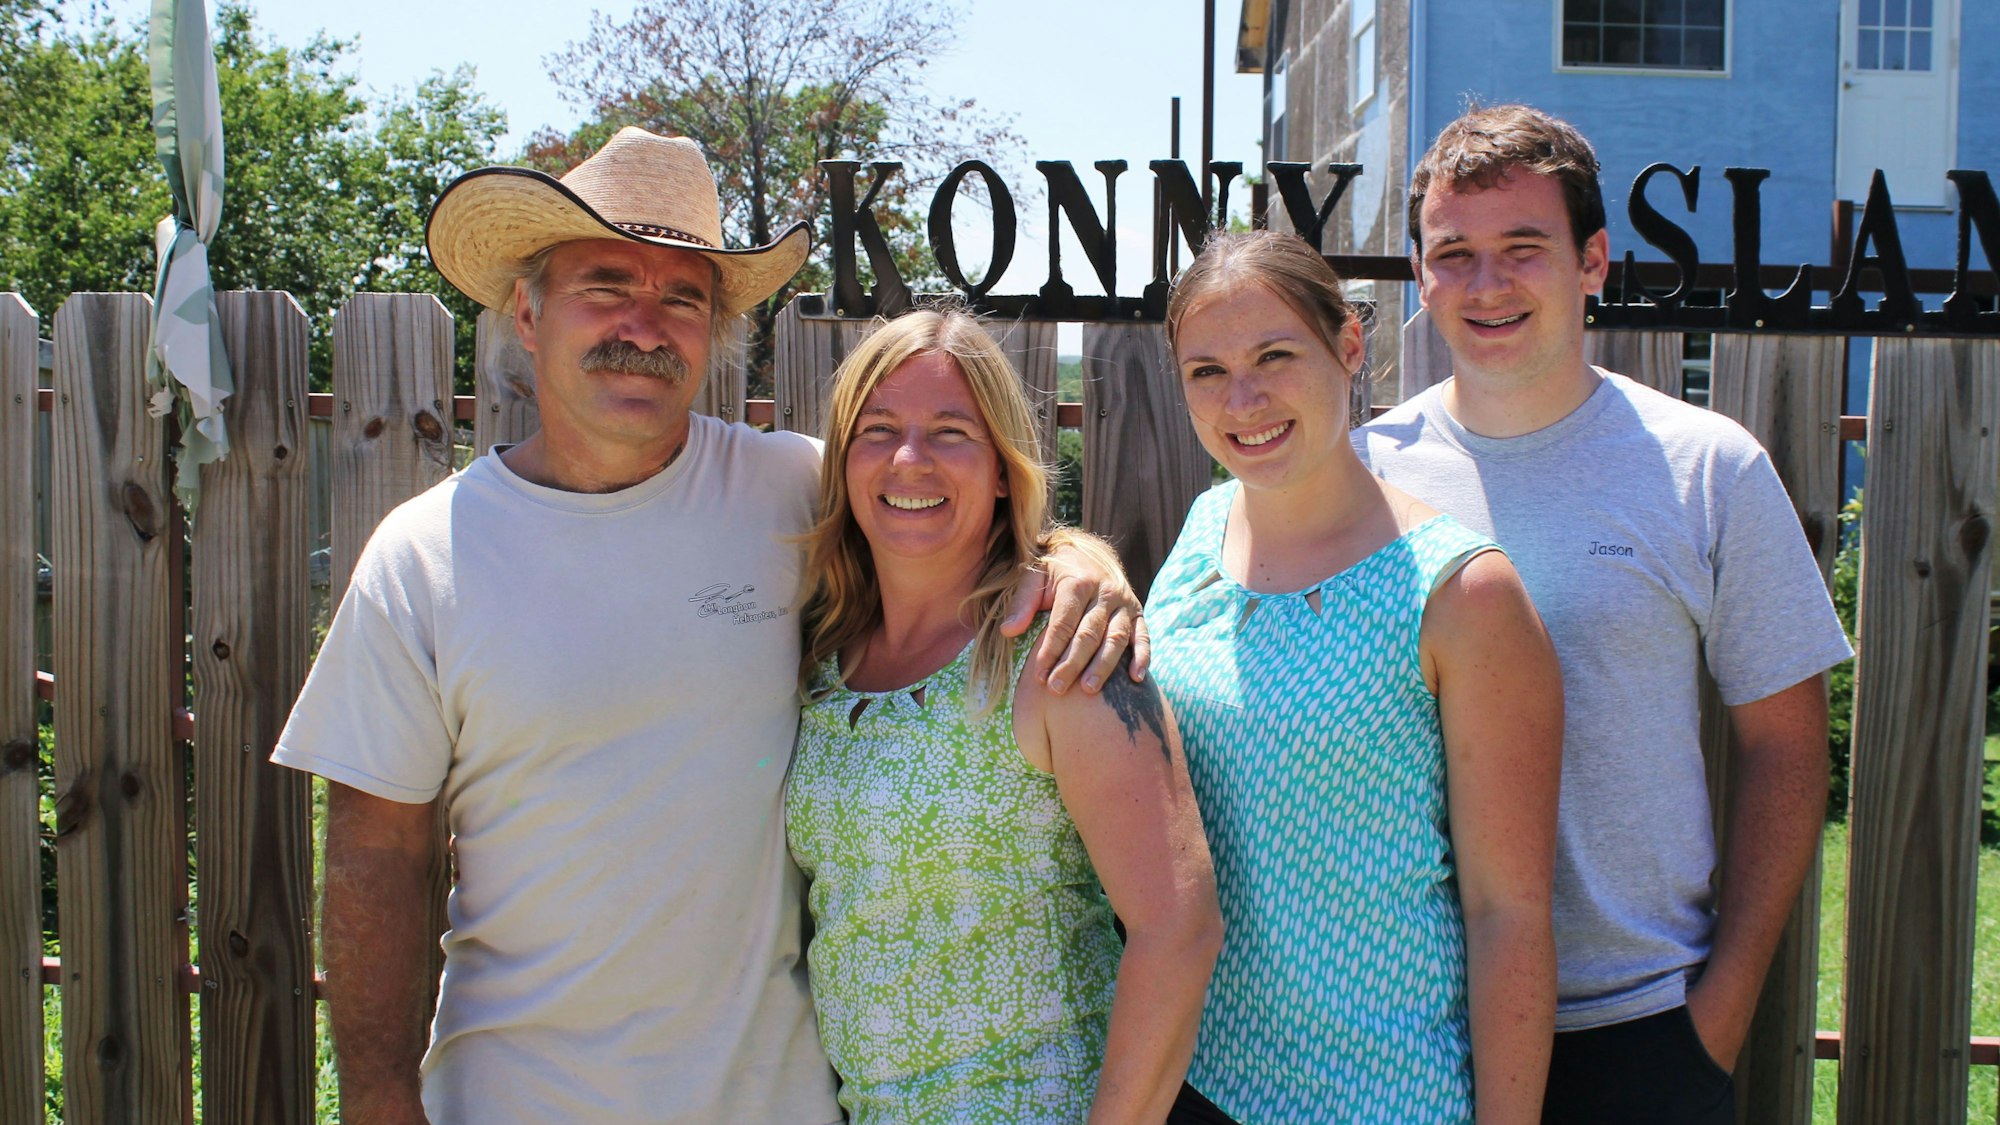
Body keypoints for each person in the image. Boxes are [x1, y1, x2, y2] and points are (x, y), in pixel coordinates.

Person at [272, 127, 1145, 1124]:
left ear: (712, 331)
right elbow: (376, 857)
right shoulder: (424, 557)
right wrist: (380, 1103)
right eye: (605, 284)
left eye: (681, 297)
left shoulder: (787, 493)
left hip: (773, 1101)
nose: (643, 324)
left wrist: (1079, 564)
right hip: (512, 1097)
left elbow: (949, 509)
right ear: (527, 308)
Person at [1356, 104, 1853, 1124]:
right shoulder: (1361, 476)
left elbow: (1787, 747)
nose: (1485, 285)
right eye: (1453, 254)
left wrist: (1716, 1010)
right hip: (1405, 1027)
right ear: (1419, 275)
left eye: (1521, 249)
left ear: (1591, 262)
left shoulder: (1704, 468)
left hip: (1635, 1035)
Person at [1148, 230, 1563, 1124]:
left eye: (1273, 355)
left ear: (1347, 347)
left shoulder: (1461, 592)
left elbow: (1510, 913)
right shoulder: (1197, 536)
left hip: (1383, 1093)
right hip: (1201, 1080)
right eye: (1206, 371)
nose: (1243, 398)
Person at [785, 308, 1223, 1124]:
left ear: (999, 468)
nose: (909, 458)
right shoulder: (822, 657)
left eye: (951, 431)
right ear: (842, 460)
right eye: (877, 429)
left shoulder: (1060, 654)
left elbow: (1181, 928)